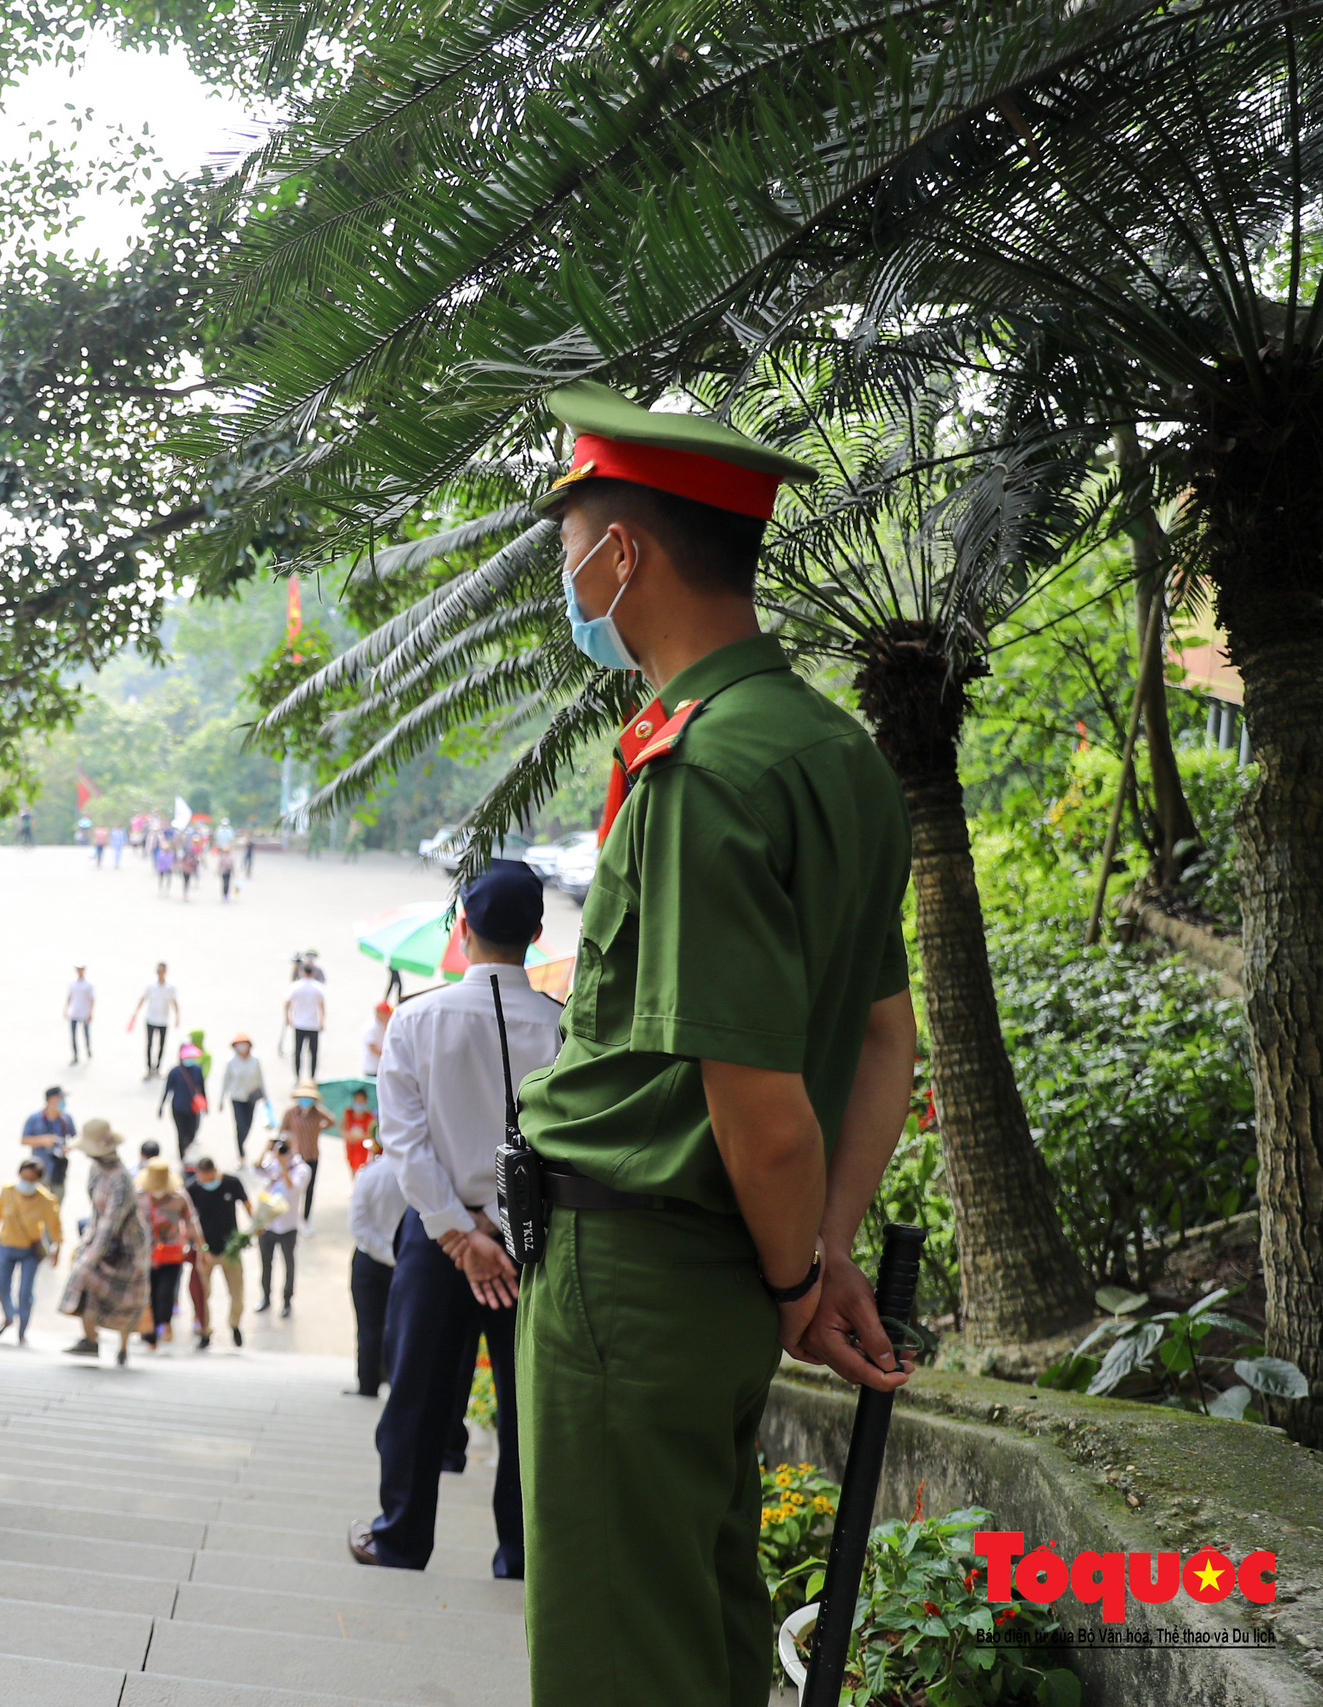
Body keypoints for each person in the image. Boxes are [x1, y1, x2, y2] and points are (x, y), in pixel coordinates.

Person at [506, 383, 917, 1703]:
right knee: (708, 1640)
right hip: (728, 1281)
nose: (566, 574)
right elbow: (881, 1040)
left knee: (617, 1655)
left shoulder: (704, 768)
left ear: (621, 555)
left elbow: (764, 1104)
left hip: (633, 1270)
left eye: (572, 543)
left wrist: (803, 1278)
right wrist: (812, 1256)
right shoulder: (835, 755)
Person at [345, 861, 561, 1577]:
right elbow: (564, 1147)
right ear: (535, 933)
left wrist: (457, 1233)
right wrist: (499, 1229)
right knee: (529, 1398)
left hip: (436, 1240)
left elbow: (404, 1141)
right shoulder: (564, 1031)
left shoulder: (414, 1019)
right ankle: (523, 1553)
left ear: (461, 929)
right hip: (531, 1242)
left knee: (416, 1390)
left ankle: (402, 1536)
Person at [58, 1119, 148, 1365]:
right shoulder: (97, 1170)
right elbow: (98, 1216)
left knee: (128, 1299)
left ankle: (123, 1347)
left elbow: (112, 1223)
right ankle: (91, 1340)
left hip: (126, 1247)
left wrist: (90, 1256)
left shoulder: (120, 1178)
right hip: (98, 1236)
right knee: (87, 1290)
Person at [347, 1136, 404, 1399]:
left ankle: (368, 1385)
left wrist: (385, 1253)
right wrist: (396, 1256)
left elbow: (358, 1226)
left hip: (370, 1261)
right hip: (406, 1261)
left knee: (368, 1327)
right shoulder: (422, 1175)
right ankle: (399, 1385)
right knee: (403, 1327)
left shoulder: (369, 1175)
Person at [0, 1157, 61, 1343]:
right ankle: (9, 1316)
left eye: (31, 1179)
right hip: (6, 1245)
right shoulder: (8, 1191)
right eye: (24, 1177)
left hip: (30, 1250)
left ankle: (22, 1329)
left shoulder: (46, 1200)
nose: (26, 1183)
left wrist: (57, 1248)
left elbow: (55, 1226)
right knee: (3, 1287)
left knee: (25, 1292)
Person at [183, 1154, 250, 1349]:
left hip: (230, 1250)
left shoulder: (231, 1183)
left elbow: (247, 1204)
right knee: (201, 1293)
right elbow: (187, 1219)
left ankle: (235, 1324)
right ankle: (204, 1330)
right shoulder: (193, 1189)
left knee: (237, 1292)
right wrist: (198, 1245)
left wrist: (255, 1226)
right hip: (205, 1251)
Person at [136, 1159, 202, 1351]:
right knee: (148, 1294)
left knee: (166, 1293)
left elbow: (191, 1221)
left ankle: (163, 1323)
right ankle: (150, 1334)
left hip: (171, 1254)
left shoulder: (179, 1197)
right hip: (145, 1254)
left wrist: (200, 1245)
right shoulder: (139, 1197)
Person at [251, 1135, 310, 1318]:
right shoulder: (273, 1162)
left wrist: (284, 1165)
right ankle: (265, 1298)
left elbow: (294, 1189)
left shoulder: (302, 1169)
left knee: (288, 1265)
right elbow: (256, 1169)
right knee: (266, 1265)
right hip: (268, 1225)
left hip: (288, 1226)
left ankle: (286, 1301)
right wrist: (266, 1149)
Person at [279, 1080, 331, 1221]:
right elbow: (282, 1132)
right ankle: (290, 1217)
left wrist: (320, 1127)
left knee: (309, 1189)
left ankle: (305, 1219)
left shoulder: (318, 1114)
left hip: (312, 1156)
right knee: (291, 1188)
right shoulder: (290, 1113)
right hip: (295, 1158)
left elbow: (331, 1120)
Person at [215, 1034, 268, 1160]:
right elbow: (225, 1081)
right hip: (237, 1097)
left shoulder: (255, 1060)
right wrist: (221, 1099)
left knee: (248, 1124)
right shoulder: (231, 1062)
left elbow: (260, 1079)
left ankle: (243, 1143)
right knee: (240, 1124)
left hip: (251, 1097)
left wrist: (266, 1097)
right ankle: (240, 1152)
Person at [129, 963, 180, 1079]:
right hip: (151, 1019)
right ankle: (148, 1069)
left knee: (161, 1045)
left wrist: (177, 1017)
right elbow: (143, 998)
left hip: (163, 1020)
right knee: (149, 1044)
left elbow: (174, 1002)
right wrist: (135, 1012)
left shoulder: (170, 987)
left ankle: (157, 1068)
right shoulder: (151, 986)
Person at [21, 1086, 75, 1193]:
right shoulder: (35, 1118)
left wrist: (68, 1148)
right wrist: (43, 1140)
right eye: (60, 1098)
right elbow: (24, 1140)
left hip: (59, 1168)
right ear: (51, 1099)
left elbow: (75, 1138)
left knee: (57, 1199)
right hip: (40, 1168)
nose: (63, 1101)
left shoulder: (66, 1118)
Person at [157, 1044, 205, 1159]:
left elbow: (202, 1088)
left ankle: (186, 1146)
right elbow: (167, 1090)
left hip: (193, 1107)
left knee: (192, 1132)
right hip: (178, 1108)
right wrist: (161, 1106)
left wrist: (206, 1104)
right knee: (181, 1133)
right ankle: (182, 1155)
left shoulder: (197, 1070)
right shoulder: (174, 1072)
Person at [284, 967, 327, 1082]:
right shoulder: (318, 987)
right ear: (313, 972)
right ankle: (312, 1077)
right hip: (313, 1024)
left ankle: (297, 1077)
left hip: (299, 1023)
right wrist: (322, 1021)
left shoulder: (295, 986)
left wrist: (288, 1018)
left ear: (302, 972)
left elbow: (287, 1003)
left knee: (298, 1052)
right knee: (313, 1053)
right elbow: (322, 1006)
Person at [342, 1087, 378, 1177]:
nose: (359, 1104)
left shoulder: (369, 1116)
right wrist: (348, 1135)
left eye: (361, 1102)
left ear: (366, 1102)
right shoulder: (348, 1113)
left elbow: (371, 1134)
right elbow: (342, 1127)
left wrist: (360, 1137)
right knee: (352, 1166)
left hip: (363, 1147)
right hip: (351, 1146)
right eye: (357, 1101)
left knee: (362, 1168)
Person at [65, 966, 96, 1063]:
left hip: (84, 1013)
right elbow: (70, 996)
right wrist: (66, 1008)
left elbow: (92, 999)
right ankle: (75, 1056)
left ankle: (88, 1050)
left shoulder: (88, 985)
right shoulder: (73, 984)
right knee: (73, 1036)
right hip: (74, 1013)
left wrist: (90, 1012)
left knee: (86, 1035)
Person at [361, 1000, 392, 1079]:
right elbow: (372, 1047)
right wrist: (388, 1055)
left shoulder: (382, 1024)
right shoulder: (371, 1027)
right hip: (371, 1067)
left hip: (379, 1066)